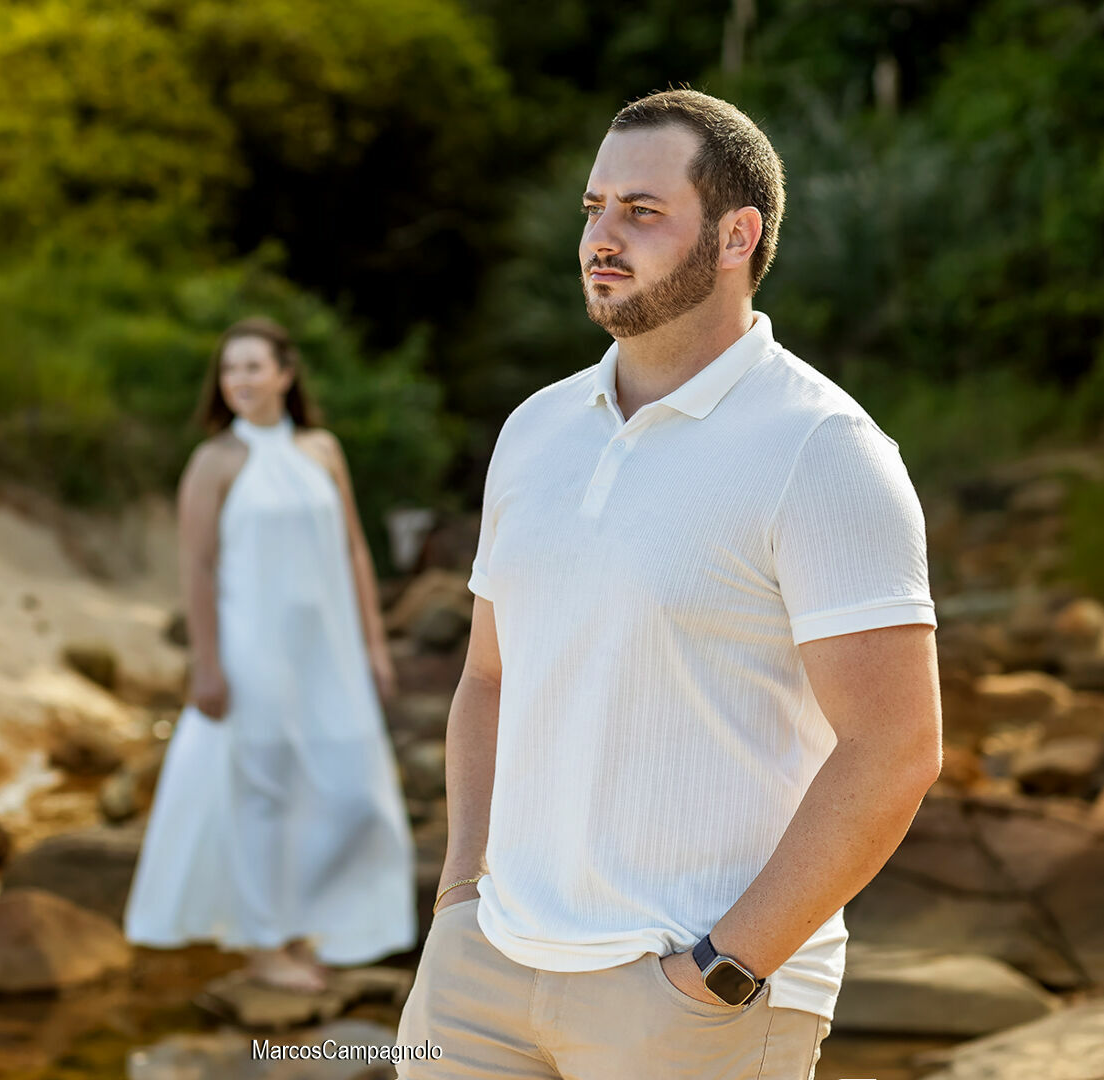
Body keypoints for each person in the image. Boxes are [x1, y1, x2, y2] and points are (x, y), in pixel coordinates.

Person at [396, 89, 942, 1079]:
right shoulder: (534, 431)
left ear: (737, 236)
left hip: (688, 999)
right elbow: (487, 679)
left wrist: (723, 971)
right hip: (480, 981)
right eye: (593, 208)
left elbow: (895, 748)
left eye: (640, 212)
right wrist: (456, 899)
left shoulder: (823, 449)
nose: (602, 237)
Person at [123, 316, 418, 993]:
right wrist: (206, 663)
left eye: (253, 367)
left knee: (347, 789)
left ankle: (310, 928)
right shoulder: (215, 461)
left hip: (329, 649)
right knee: (262, 794)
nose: (240, 381)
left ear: (285, 374)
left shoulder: (321, 450)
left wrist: (374, 642)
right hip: (251, 648)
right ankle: (264, 946)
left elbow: (351, 549)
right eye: (230, 370)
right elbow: (196, 567)